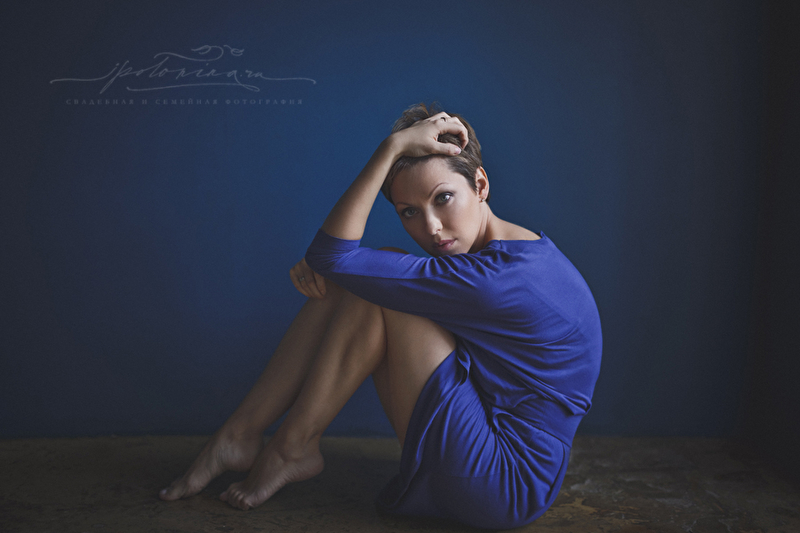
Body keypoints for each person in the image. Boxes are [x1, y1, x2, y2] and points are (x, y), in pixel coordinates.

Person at [159, 103, 602, 529]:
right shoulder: (519, 250)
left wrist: (392, 148)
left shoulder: (495, 279)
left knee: (373, 286)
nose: (431, 227)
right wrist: (341, 266)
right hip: (495, 452)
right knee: (363, 282)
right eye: (410, 212)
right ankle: (244, 435)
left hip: (502, 482)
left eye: (444, 198)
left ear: (480, 185)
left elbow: (330, 255)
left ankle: (287, 444)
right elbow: (337, 262)